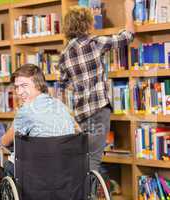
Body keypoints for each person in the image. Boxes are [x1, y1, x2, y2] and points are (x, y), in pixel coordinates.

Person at [58, 0, 135, 172]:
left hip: (79, 113)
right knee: (93, 158)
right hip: (99, 109)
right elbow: (128, 36)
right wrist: (128, 11)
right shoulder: (95, 43)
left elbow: (63, 86)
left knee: (82, 156)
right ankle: (88, 194)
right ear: (87, 23)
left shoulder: (64, 54)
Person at [1, 64, 76, 177]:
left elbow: (4, 142)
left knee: (7, 163)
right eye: (16, 87)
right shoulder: (61, 105)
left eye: (24, 85)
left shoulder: (25, 111)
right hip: (65, 170)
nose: (19, 92)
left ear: (38, 85)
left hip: (37, 173)